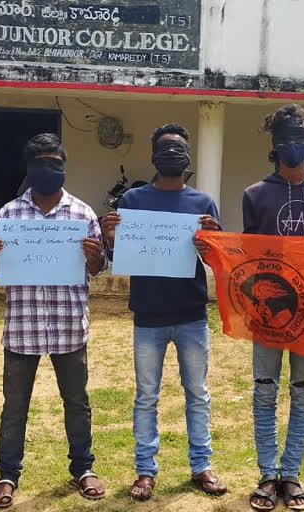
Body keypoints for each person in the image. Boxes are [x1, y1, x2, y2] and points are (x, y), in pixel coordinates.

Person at [0, 133, 108, 509]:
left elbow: (98, 270)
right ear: (30, 169)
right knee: (14, 406)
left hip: (69, 326)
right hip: (23, 328)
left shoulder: (82, 214)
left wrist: (94, 257)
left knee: (77, 403)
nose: (49, 170)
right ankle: (7, 475)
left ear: (64, 167)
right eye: (41, 164)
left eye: (55, 163)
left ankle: (83, 468)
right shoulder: (9, 215)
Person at [101, 123, 226, 501]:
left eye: (179, 147)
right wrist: (110, 239)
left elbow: (215, 260)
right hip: (149, 315)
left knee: (198, 393)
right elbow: (117, 256)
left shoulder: (202, 203)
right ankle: (144, 470)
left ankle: (201, 466)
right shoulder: (133, 201)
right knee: (146, 395)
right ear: (154, 155)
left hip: (191, 313)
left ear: (188, 155)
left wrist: (214, 238)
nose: (173, 153)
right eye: (166, 147)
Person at [241, 104, 304, 511]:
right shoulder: (255, 194)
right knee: (265, 392)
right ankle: (268, 475)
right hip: (267, 314)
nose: (293, 146)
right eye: (285, 140)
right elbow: (246, 258)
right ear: (273, 146)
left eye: (300, 138)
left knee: (303, 392)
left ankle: (293, 475)